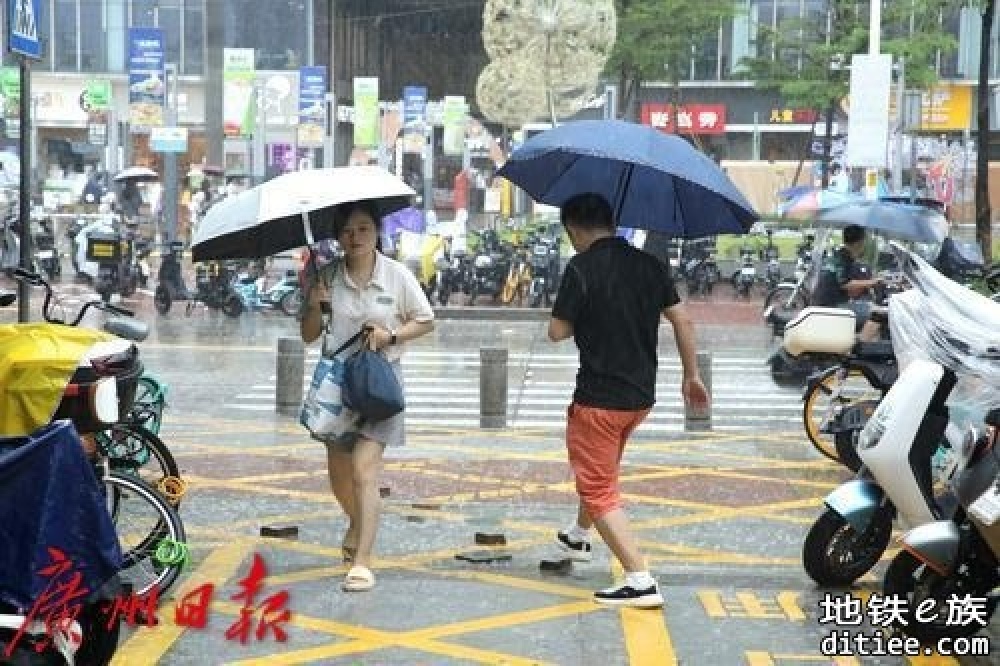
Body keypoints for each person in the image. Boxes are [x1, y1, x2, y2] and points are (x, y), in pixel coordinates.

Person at [547, 193, 709, 608]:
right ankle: (578, 536)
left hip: (598, 399)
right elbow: (683, 320)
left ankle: (639, 579)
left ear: (574, 229)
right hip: (639, 397)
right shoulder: (649, 265)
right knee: (601, 469)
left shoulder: (581, 268)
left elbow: (557, 331)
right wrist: (692, 376)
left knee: (598, 487)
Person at [300, 201, 435, 592]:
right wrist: (313, 304)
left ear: (376, 232)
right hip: (336, 387)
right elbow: (310, 335)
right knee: (340, 477)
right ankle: (359, 521)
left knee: (363, 471)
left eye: (362, 229)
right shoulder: (326, 277)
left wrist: (390, 336)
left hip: (380, 384)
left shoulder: (396, 276)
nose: (354, 237)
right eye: (346, 230)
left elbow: (425, 320)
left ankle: (362, 562)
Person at [811, 224, 883, 341]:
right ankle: (858, 346)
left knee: (868, 306)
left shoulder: (839, 254)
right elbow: (845, 284)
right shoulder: (843, 257)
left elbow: (847, 287)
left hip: (822, 303)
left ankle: (859, 338)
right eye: (864, 241)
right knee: (878, 314)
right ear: (859, 242)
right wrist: (873, 282)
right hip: (830, 308)